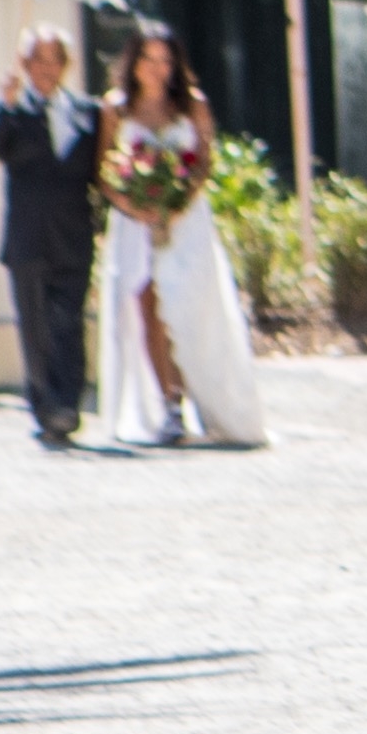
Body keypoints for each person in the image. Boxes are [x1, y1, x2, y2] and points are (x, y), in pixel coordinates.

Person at [94, 23, 268, 448]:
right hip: (135, 225)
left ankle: (208, 399)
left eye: (165, 60)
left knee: (189, 307)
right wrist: (135, 205)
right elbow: (103, 170)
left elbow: (204, 163)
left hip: (185, 222)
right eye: (148, 59)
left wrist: (176, 203)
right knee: (147, 305)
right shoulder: (115, 108)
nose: (156, 69)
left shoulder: (192, 105)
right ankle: (168, 404)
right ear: (133, 63)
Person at [0, 23, 100, 447]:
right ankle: (47, 408)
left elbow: (101, 169)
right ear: (25, 65)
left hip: (74, 235)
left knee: (69, 323)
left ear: (65, 65)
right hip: (28, 239)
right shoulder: (8, 111)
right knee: (38, 327)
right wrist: (4, 106)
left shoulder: (87, 112)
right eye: (38, 60)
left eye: (54, 60)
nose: (46, 68)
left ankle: (69, 403)